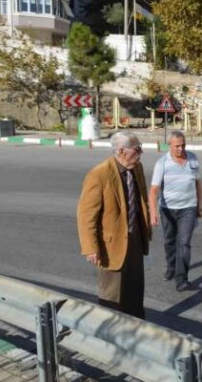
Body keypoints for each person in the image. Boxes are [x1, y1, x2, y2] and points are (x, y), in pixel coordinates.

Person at [77, 131, 151, 319]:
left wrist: (147, 226)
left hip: (135, 240)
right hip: (111, 246)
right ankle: (111, 336)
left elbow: (142, 198)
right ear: (121, 151)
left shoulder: (137, 168)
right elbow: (86, 215)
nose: (140, 153)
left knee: (134, 291)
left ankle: (136, 330)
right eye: (137, 149)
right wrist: (91, 248)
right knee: (112, 295)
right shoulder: (99, 175)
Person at [148, 131, 202, 292]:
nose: (181, 149)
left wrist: (200, 205)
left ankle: (181, 279)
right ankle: (171, 266)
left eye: (183, 145)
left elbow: (198, 184)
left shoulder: (193, 159)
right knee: (169, 241)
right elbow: (153, 190)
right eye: (177, 146)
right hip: (167, 209)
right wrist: (153, 213)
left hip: (188, 208)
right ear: (169, 146)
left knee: (184, 243)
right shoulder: (162, 163)